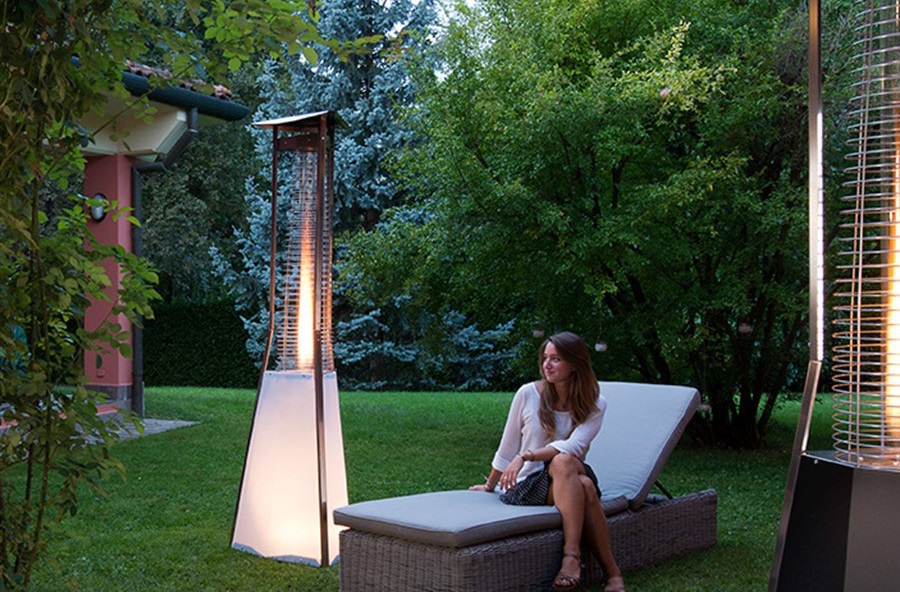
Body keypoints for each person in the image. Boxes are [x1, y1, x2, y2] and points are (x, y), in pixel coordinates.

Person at [470, 331, 625, 592]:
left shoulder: (595, 403)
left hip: (568, 471)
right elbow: (507, 446)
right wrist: (490, 485)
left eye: (556, 359)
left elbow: (574, 446)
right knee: (585, 486)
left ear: (574, 363)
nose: (547, 365)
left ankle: (572, 558)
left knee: (563, 461)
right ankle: (609, 573)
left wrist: (526, 455)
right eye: (545, 358)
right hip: (530, 485)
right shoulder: (528, 394)